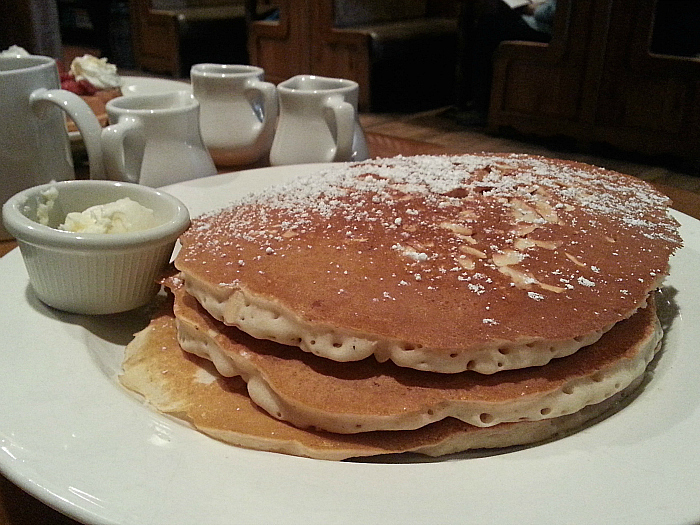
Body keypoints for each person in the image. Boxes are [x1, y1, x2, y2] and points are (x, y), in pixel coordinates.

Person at [455, 0, 556, 125]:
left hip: (549, 33)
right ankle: (474, 101)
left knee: (489, 25)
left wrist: (531, 8)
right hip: (546, 28)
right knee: (491, 20)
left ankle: (482, 108)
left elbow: (551, 13)